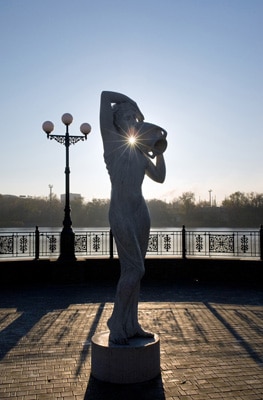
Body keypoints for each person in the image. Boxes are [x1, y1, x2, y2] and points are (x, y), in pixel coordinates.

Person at [100, 91, 167, 344]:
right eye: (127, 116)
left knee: (136, 272)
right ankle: (117, 321)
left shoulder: (139, 150)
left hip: (141, 212)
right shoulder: (112, 141)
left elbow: (159, 177)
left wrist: (158, 149)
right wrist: (135, 104)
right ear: (117, 121)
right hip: (121, 212)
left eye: (133, 117)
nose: (131, 120)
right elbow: (105, 96)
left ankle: (131, 323)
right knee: (134, 269)